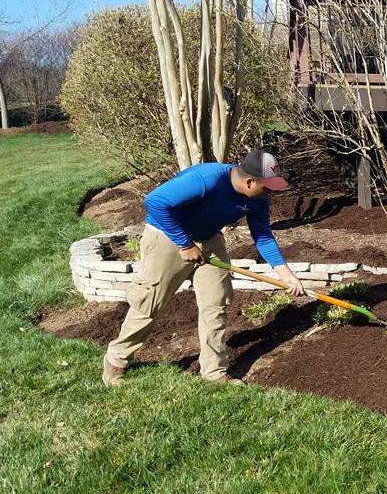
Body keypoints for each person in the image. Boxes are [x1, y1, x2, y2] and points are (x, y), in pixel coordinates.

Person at [102, 150, 304, 387]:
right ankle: (117, 359)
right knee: (150, 302)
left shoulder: (257, 198)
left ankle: (213, 371)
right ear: (250, 181)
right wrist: (184, 244)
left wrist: (286, 274)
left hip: (208, 238)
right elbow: (155, 202)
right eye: (267, 187)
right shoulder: (207, 178)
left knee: (216, 302)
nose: (269, 192)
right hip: (168, 237)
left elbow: (262, 235)